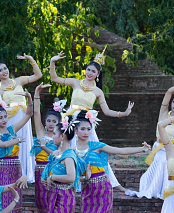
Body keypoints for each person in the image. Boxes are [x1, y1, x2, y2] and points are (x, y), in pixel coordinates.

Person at [73, 110, 151, 213]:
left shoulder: (96, 146)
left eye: (89, 129)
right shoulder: (72, 151)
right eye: (82, 129)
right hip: (87, 190)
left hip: (102, 189)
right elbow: (75, 176)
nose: (86, 132)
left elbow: (120, 151)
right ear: (75, 130)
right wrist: (84, 178)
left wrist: (141, 149)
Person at [49, 48, 133, 191]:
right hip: (70, 121)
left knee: (91, 151)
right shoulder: (75, 82)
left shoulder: (98, 91)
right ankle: (65, 177)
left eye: (93, 71)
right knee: (66, 148)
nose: (89, 73)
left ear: (98, 74)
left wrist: (123, 113)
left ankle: (105, 181)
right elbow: (54, 78)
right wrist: (52, 62)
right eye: (88, 70)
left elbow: (106, 111)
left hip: (85, 123)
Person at [126, 70, 174, 198]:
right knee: (160, 162)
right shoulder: (163, 113)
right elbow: (169, 92)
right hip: (158, 148)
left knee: (166, 163)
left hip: (171, 150)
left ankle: (169, 191)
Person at [0, 46, 42, 183]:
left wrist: (31, 60)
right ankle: (12, 174)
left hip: (24, 116)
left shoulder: (19, 81)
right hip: (11, 121)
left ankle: (25, 174)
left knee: (25, 142)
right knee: (13, 145)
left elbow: (38, 75)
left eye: (5, 68)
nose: (4, 71)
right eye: (0, 70)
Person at [0, 90, 33, 213]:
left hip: (15, 169)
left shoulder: (12, 129)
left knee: (12, 201)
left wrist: (29, 99)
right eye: (0, 117)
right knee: (3, 202)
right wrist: (17, 140)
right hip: (2, 172)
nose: (4, 119)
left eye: (5, 116)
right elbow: (3, 145)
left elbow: (28, 115)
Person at [30, 82, 61, 213]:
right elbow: (36, 113)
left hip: (53, 172)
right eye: (48, 120)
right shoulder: (41, 133)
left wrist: (43, 147)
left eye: (54, 121)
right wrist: (36, 93)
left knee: (54, 202)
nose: (50, 123)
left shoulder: (60, 138)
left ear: (59, 123)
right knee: (41, 203)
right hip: (39, 171)